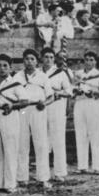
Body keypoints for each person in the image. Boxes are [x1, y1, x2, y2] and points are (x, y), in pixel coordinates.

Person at [13, 49, 52, 188]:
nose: (29, 62)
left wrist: (44, 103)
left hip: (38, 109)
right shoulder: (17, 76)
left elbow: (51, 96)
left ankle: (43, 178)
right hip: (22, 110)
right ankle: (22, 177)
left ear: (37, 61)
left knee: (41, 144)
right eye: (26, 59)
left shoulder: (43, 77)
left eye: (32, 59)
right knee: (22, 144)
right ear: (23, 60)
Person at [0, 54, 25, 193]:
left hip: (9, 117)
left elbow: (24, 101)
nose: (2, 68)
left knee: (10, 150)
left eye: (5, 66)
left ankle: (10, 184)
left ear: (10, 68)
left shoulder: (15, 83)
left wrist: (12, 106)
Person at [73, 51, 99, 174]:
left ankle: (97, 166)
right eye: (86, 60)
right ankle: (82, 166)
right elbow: (72, 90)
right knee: (80, 135)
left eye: (91, 60)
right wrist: (77, 91)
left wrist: (94, 92)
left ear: (95, 62)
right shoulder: (77, 74)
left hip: (94, 105)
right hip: (79, 104)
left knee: (95, 135)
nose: (88, 62)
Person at [40, 47, 72, 181]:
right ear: (41, 58)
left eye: (51, 57)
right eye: (46, 57)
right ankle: (43, 173)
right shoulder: (37, 73)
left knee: (58, 140)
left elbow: (69, 91)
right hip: (41, 109)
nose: (48, 60)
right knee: (42, 140)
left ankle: (60, 172)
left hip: (57, 108)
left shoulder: (60, 73)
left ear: (54, 59)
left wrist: (59, 93)